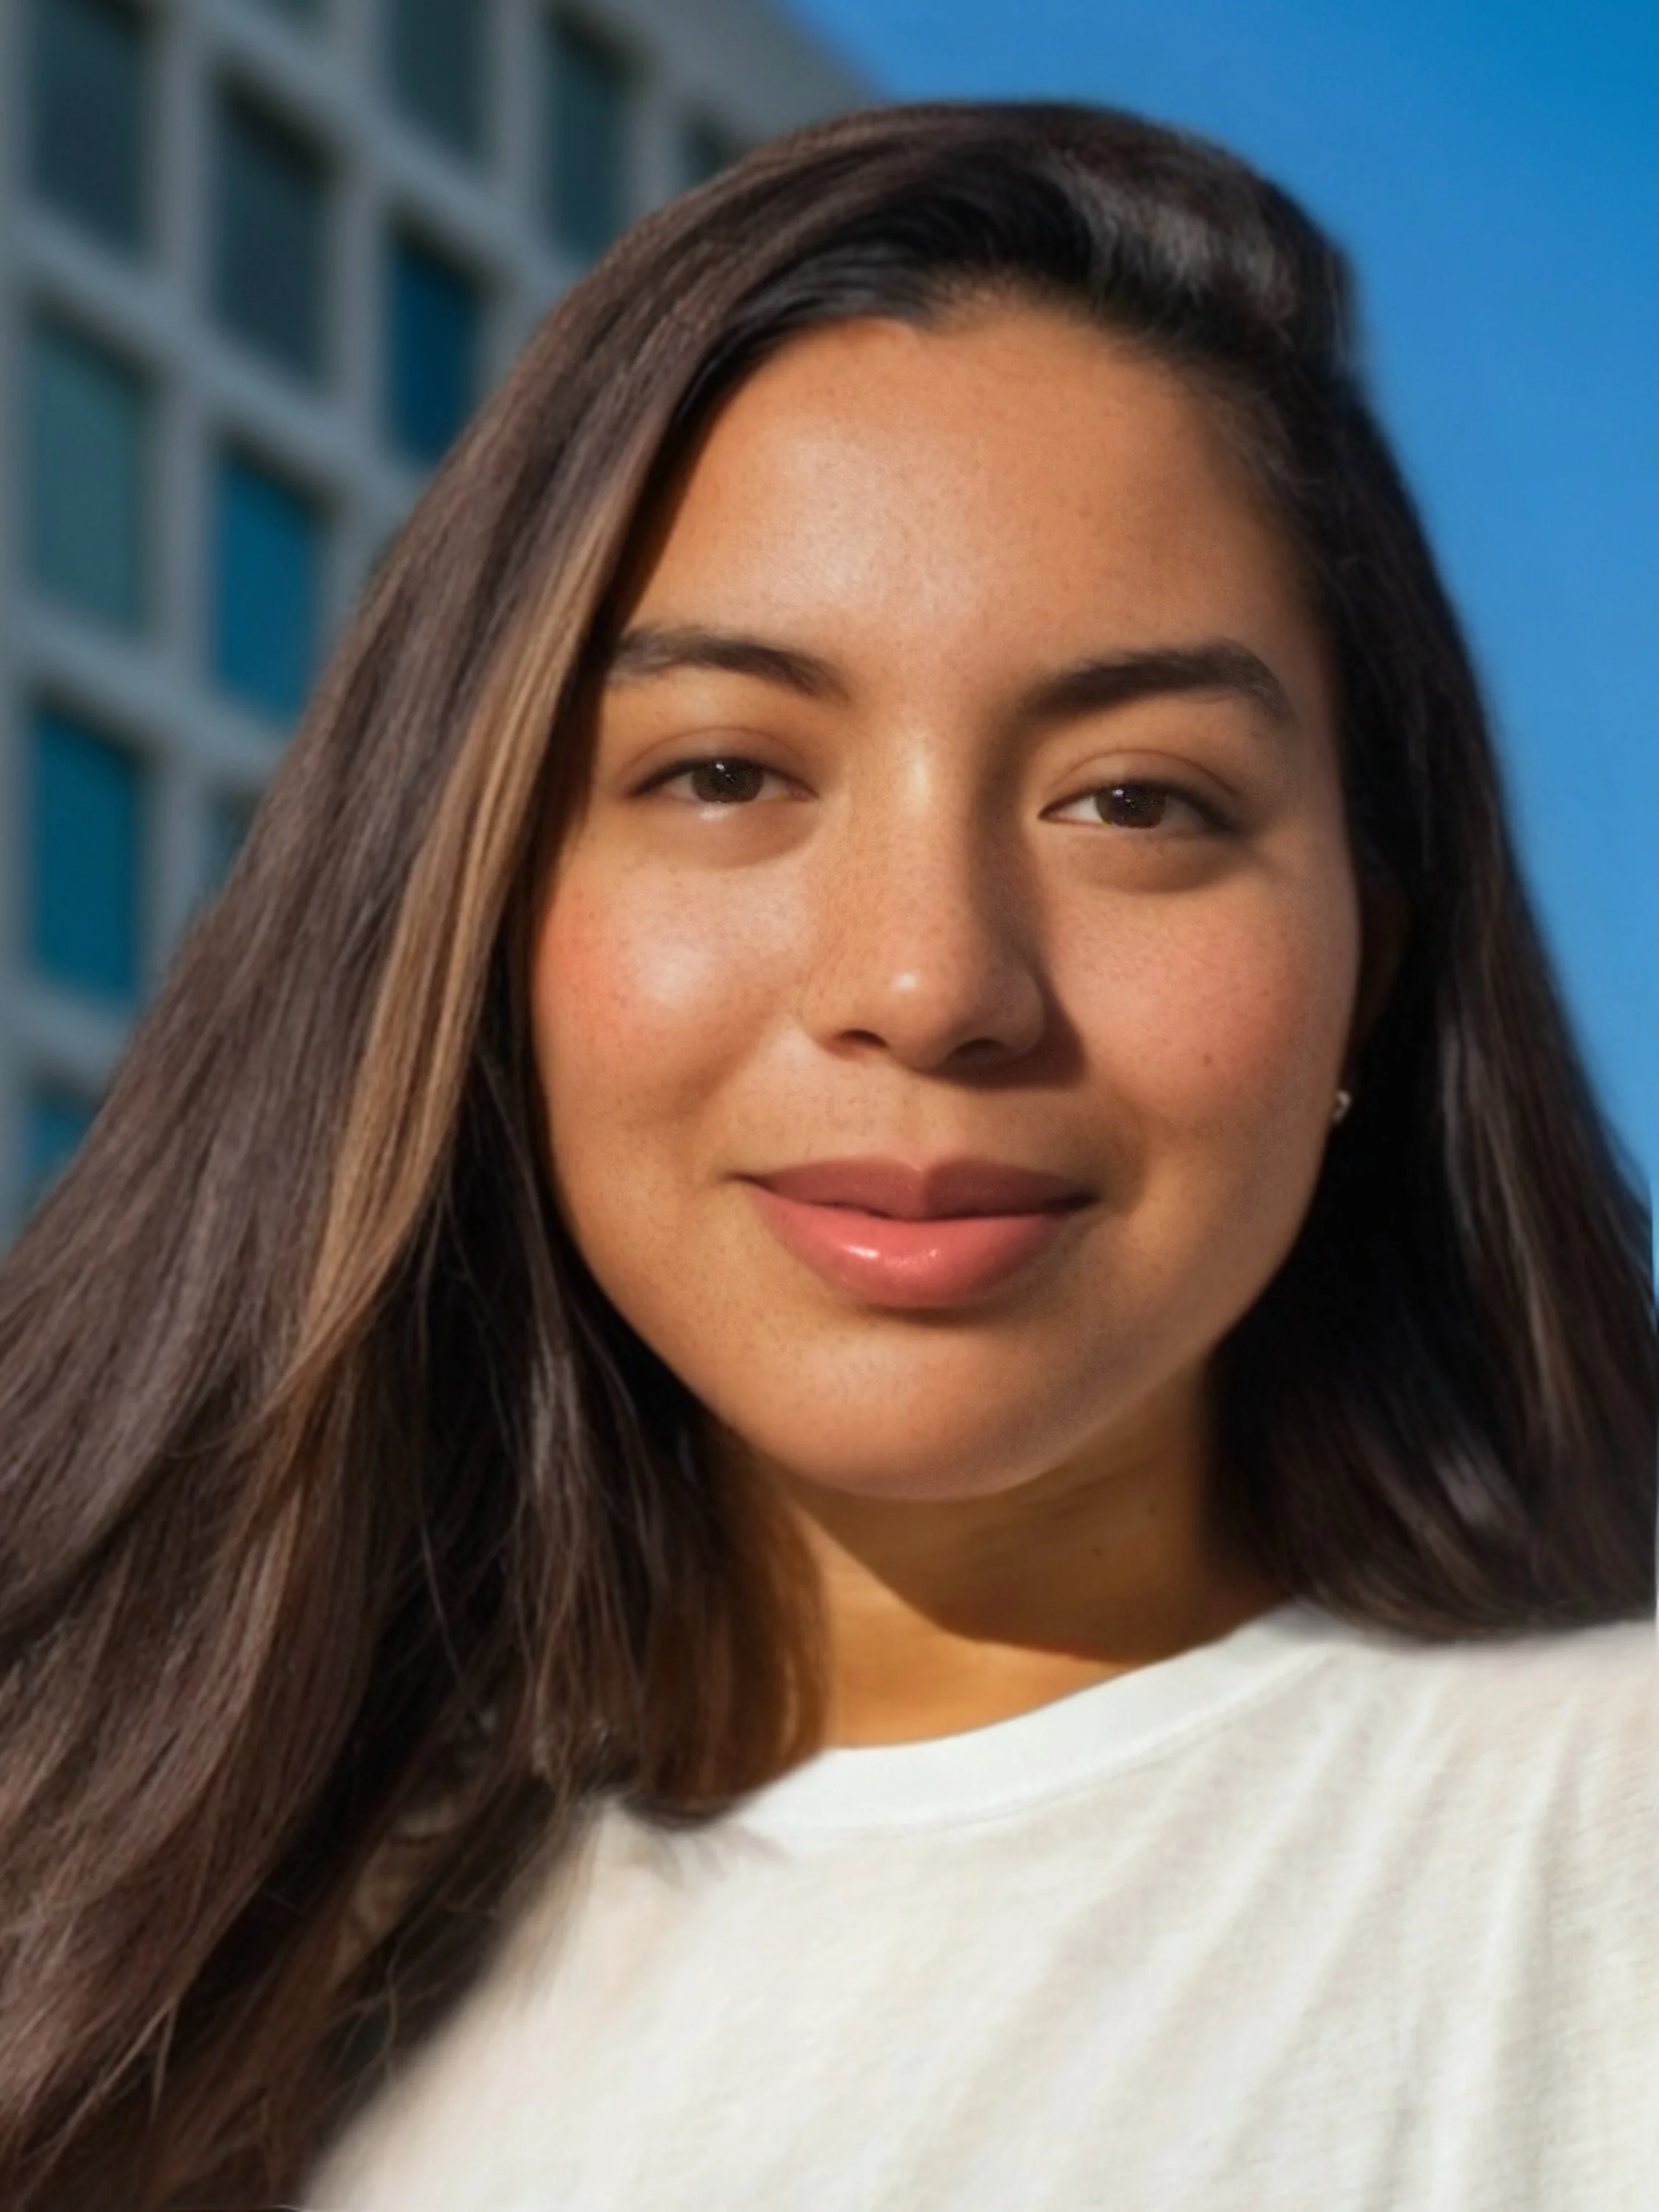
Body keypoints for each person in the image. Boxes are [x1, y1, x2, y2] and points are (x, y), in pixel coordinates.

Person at [0, 101, 1652, 2212]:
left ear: (1366, 965)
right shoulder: (168, 1944)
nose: (927, 976)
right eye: (721, 770)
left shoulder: (1596, 1862)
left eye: (1135, 799)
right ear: (481, 910)